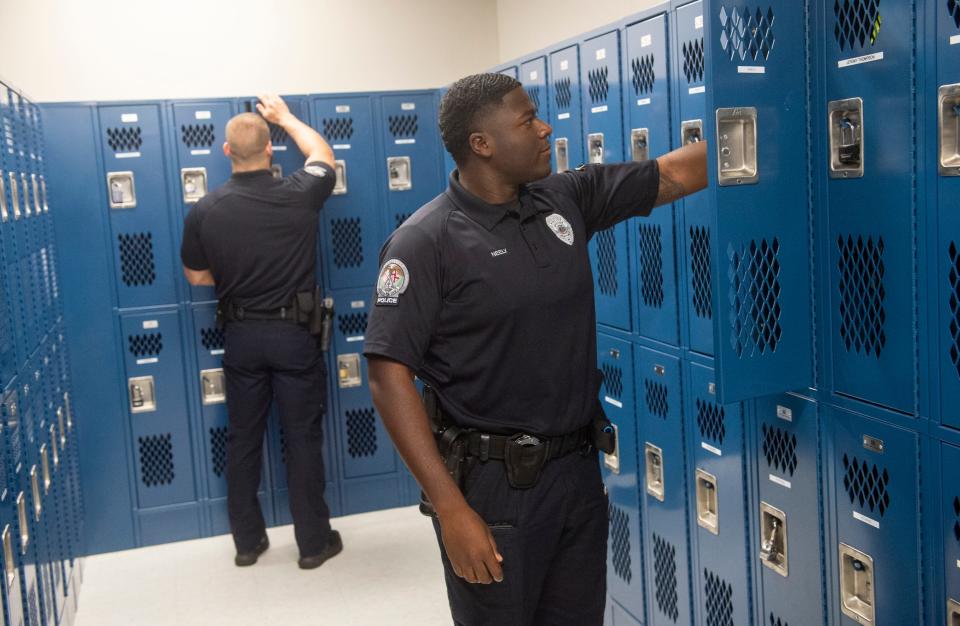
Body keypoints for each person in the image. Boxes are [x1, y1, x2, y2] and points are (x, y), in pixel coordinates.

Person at [364, 73, 707, 624]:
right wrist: (451, 509)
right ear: (482, 144)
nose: (545, 127)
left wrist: (768, 119)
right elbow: (387, 375)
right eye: (527, 120)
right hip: (492, 490)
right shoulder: (426, 241)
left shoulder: (562, 199)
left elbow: (670, 174)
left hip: (575, 470)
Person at [180, 94, 342, 569]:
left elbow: (196, 277)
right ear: (270, 150)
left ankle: (248, 544)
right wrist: (286, 117)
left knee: (244, 438)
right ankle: (313, 545)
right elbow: (322, 155)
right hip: (295, 336)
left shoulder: (206, 209)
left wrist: (235, 278)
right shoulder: (300, 192)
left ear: (227, 153)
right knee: (302, 440)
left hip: (242, 337)